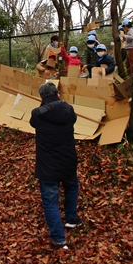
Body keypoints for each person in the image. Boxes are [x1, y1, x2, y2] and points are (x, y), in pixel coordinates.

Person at [30, 82, 82, 250]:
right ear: (58, 94)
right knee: (72, 186)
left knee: (50, 201)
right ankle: (71, 218)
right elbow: (72, 118)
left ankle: (59, 240)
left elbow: (33, 122)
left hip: (48, 166)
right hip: (67, 161)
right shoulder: (68, 110)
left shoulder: (38, 114)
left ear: (42, 98)